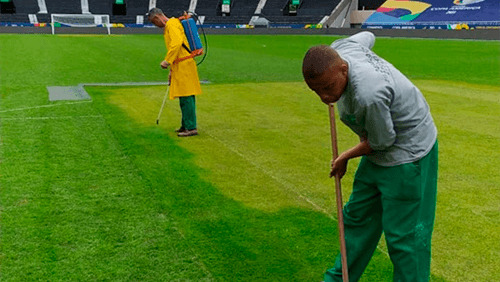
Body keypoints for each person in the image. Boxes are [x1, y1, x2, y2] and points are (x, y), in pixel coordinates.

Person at [302, 31, 438, 281]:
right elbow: (368, 35)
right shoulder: (342, 48)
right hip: (378, 151)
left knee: (405, 237)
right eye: (316, 91)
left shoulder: (369, 95)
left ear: (343, 69)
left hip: (408, 153)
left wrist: (345, 156)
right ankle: (339, 277)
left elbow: (382, 141)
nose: (325, 97)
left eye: (329, 88)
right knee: (356, 218)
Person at [148, 8, 202, 137]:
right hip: (181, 64)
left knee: (187, 95)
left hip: (184, 64)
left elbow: (177, 43)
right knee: (184, 96)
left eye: (154, 23)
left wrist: (167, 61)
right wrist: (172, 69)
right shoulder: (172, 25)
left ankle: (191, 127)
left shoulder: (171, 25)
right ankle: (186, 125)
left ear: (158, 18)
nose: (156, 26)